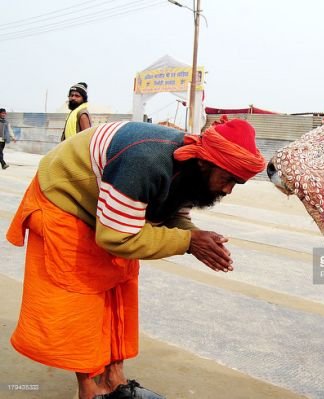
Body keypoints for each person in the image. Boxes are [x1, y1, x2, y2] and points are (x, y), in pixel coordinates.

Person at [6, 116, 265, 399]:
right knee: (84, 294)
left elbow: (172, 213)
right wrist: (189, 242)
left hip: (104, 204)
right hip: (65, 199)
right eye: (228, 179)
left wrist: (197, 236)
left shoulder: (193, 171)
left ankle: (115, 382)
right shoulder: (144, 160)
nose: (228, 190)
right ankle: (91, 390)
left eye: (236, 183)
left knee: (120, 284)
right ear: (205, 163)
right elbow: (118, 238)